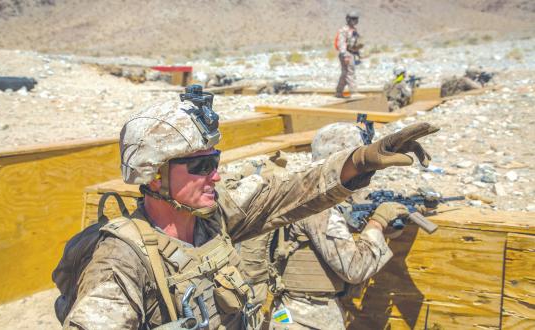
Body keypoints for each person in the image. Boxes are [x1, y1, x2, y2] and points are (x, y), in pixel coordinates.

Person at [60, 85, 438, 329]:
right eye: (201, 166)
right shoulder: (121, 261)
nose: (216, 176)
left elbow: (290, 193)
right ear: (155, 175)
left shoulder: (212, 218)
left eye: (216, 162)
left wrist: (361, 160)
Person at [237, 123, 411, 329]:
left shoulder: (303, 196)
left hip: (292, 314)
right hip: (310, 317)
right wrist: (377, 223)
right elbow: (355, 268)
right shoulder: (320, 210)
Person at [335, 12, 363, 98]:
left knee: (345, 73)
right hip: (346, 53)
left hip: (351, 53)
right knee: (350, 72)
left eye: (356, 19)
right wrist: (345, 55)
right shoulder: (344, 30)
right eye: (353, 19)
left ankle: (339, 92)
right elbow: (341, 43)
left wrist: (358, 54)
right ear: (348, 19)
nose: (354, 21)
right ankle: (354, 92)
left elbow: (355, 43)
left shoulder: (354, 29)